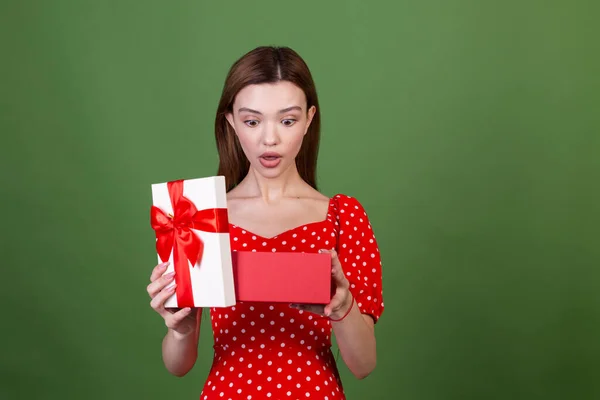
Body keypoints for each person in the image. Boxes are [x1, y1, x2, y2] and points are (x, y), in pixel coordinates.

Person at [147, 46, 385, 400]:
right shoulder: (198, 217)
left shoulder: (343, 216)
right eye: (252, 121)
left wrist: (342, 307)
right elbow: (178, 365)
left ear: (309, 119)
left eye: (287, 120)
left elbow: (363, 365)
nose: (269, 139)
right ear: (231, 121)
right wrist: (180, 329)